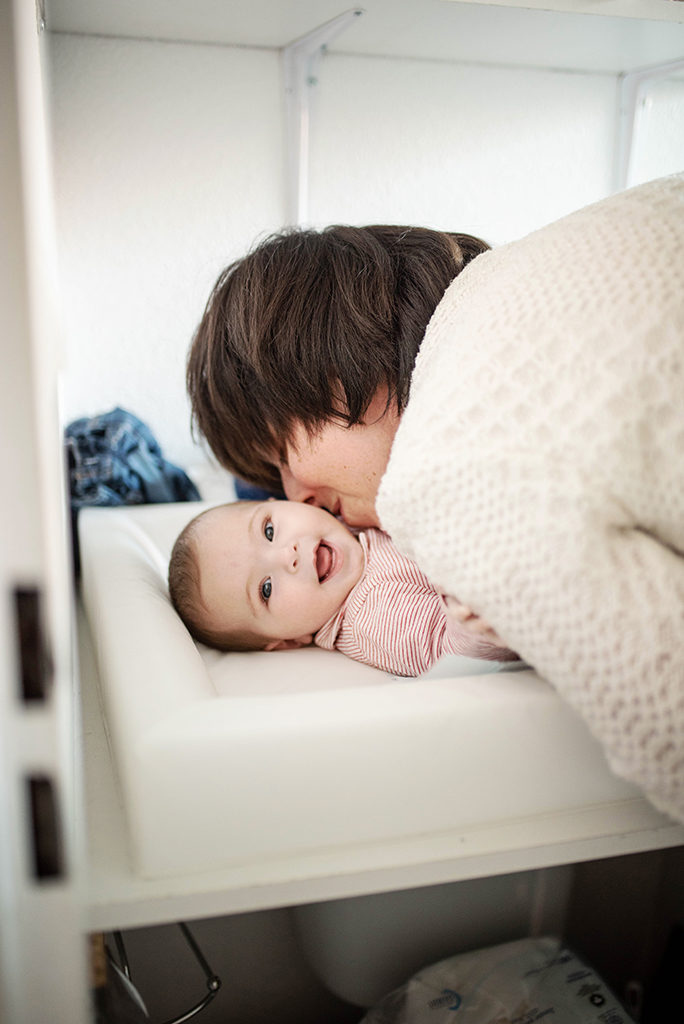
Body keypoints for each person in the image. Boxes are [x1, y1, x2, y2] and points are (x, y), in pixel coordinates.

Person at [186, 176, 684, 822]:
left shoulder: (446, 475)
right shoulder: (513, 272)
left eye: (281, 458)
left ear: (315, 370)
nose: (298, 497)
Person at [167, 499, 517, 676]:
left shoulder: (355, 517)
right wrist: (473, 613)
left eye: (269, 531)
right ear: (289, 641)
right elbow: (452, 654)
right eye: (266, 589)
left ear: (279, 502)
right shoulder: (371, 619)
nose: (285, 556)